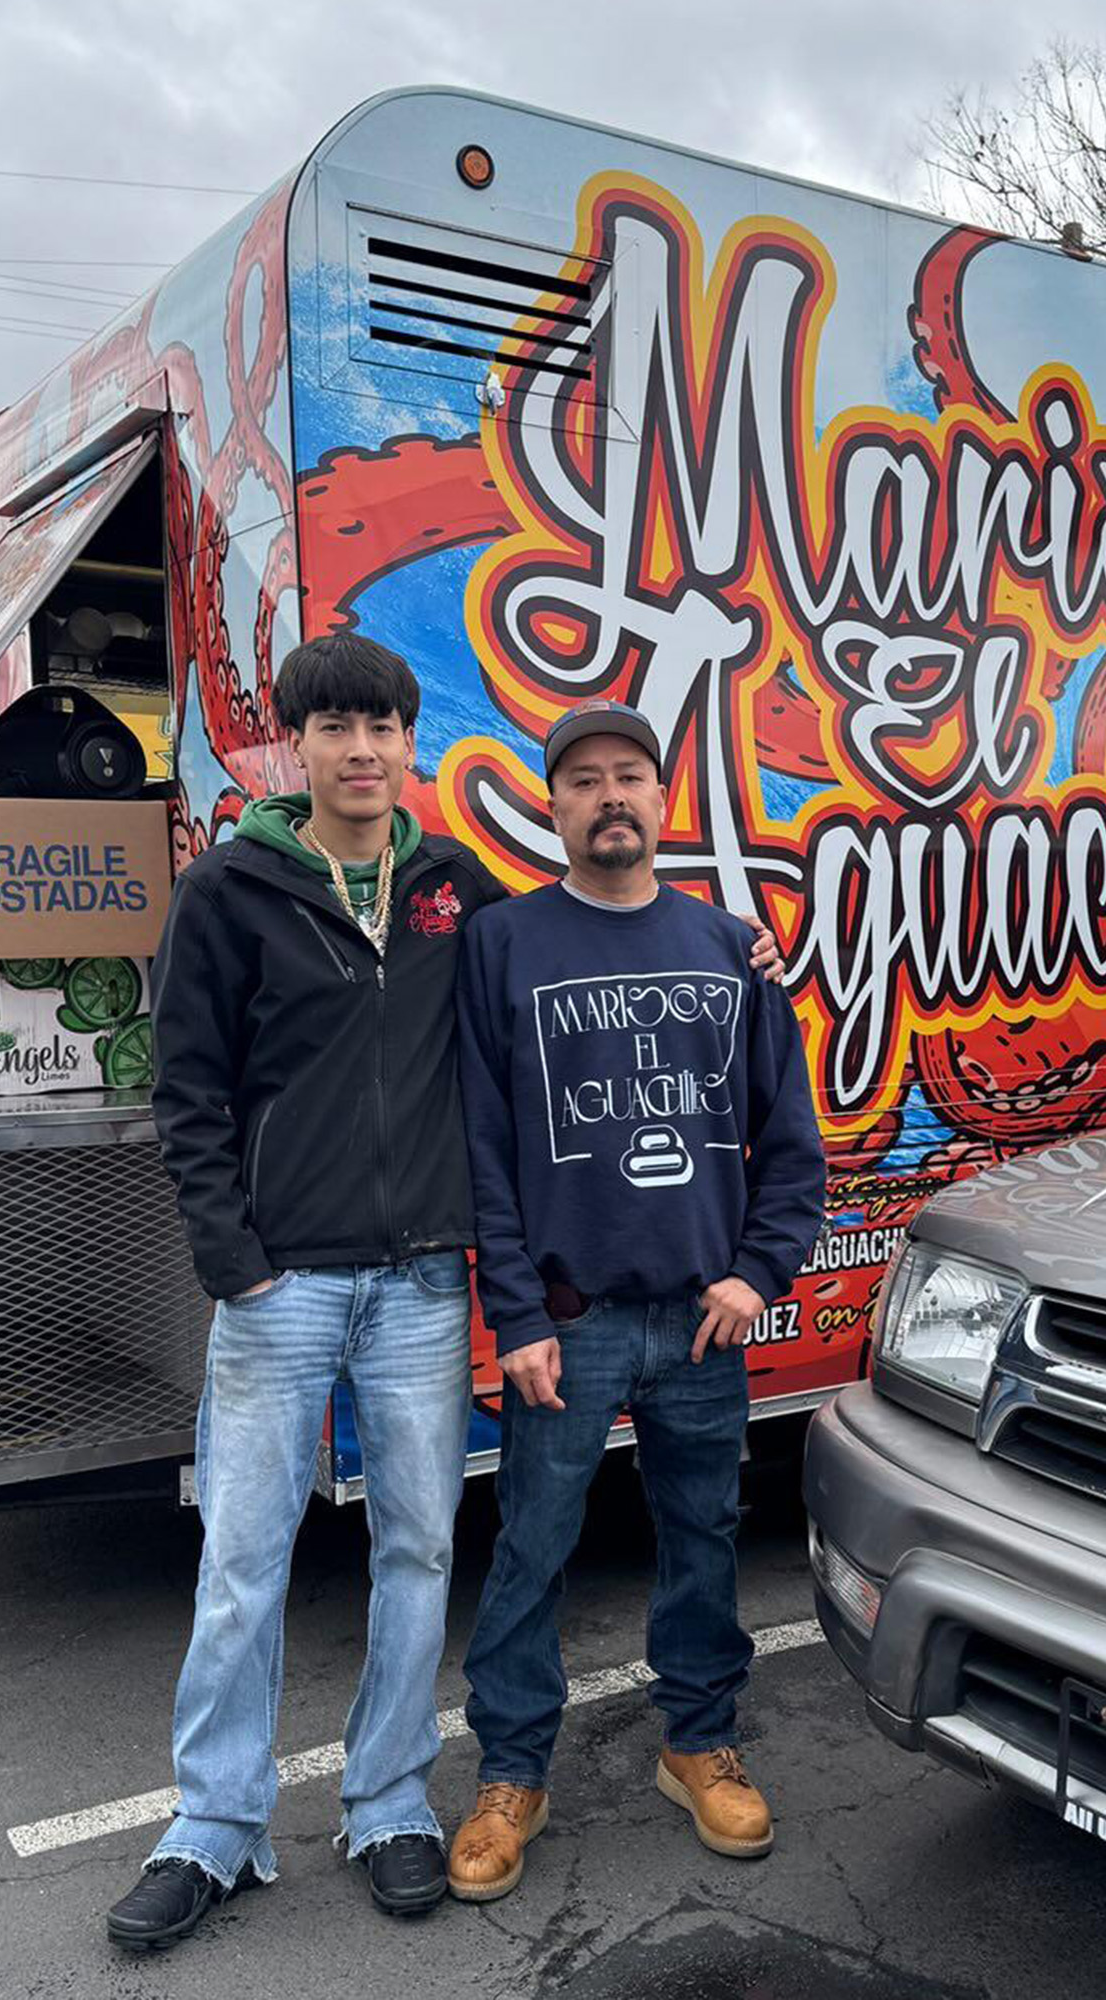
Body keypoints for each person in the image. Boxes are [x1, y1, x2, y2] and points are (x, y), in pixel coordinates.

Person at [107, 645, 781, 1952]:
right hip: (282, 1286)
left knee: (418, 1550)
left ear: (411, 746)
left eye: (385, 725)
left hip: (421, 1283)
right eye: (337, 726)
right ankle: (214, 1826)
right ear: (292, 746)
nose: (363, 748)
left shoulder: (453, 893)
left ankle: (389, 1803)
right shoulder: (228, 891)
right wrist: (233, 1260)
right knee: (244, 1561)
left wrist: (734, 936)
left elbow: (586, 933)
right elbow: (186, 1092)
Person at [447, 698, 826, 1903]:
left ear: (663, 799)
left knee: (703, 1535)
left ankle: (696, 1740)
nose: (609, 797)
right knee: (531, 1546)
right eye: (583, 781)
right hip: (569, 1319)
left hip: (700, 1321)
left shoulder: (729, 946)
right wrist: (513, 1314)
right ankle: (511, 1773)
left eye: (630, 777)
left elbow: (790, 1142)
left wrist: (756, 1271)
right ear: (549, 804)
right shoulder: (503, 945)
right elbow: (484, 1149)